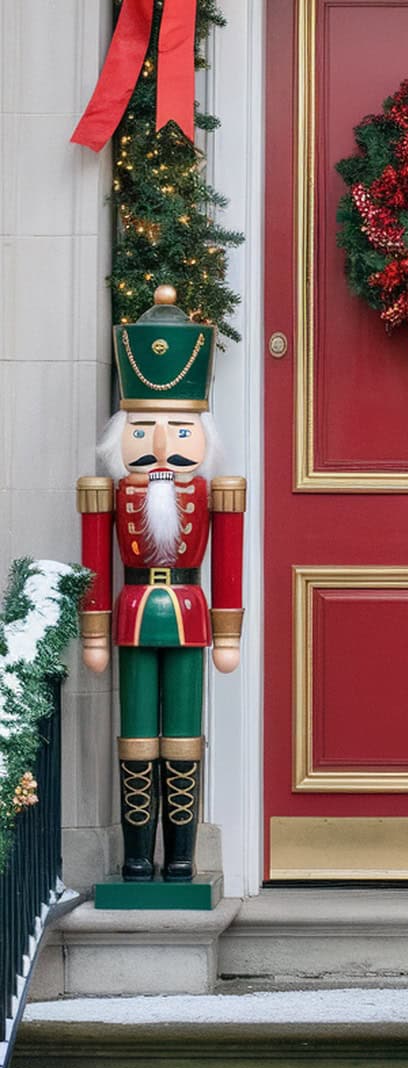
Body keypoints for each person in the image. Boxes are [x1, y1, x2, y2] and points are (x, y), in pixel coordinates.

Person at [77, 284, 245, 882]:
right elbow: (96, 564)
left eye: (177, 429)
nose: (157, 443)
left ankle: (180, 859)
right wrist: (93, 634)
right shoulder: (109, 492)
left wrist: (228, 634)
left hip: (190, 612)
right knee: (135, 737)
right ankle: (134, 860)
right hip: (130, 612)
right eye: (144, 426)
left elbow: (229, 565)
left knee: (183, 735)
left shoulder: (213, 491)